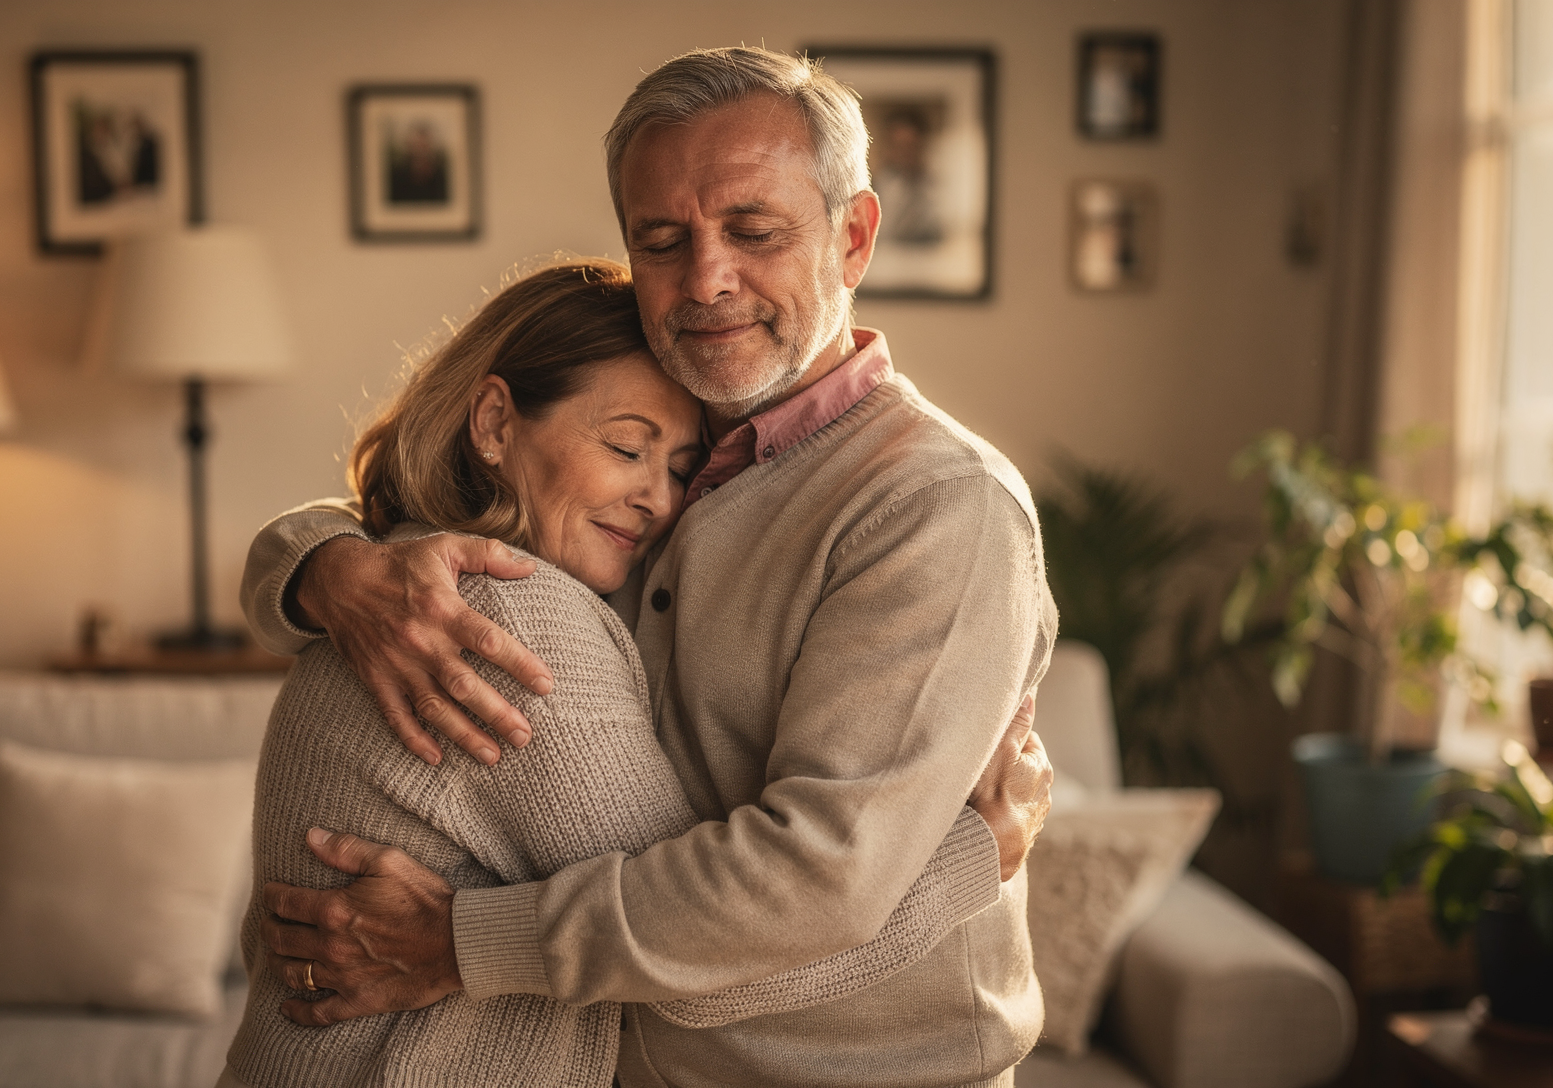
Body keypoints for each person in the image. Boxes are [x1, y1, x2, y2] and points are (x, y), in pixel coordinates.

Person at [241, 47, 1056, 1088]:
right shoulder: (632, 480)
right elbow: (401, 510)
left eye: (754, 231)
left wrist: (463, 942)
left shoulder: (936, 506)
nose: (706, 279)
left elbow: (817, 882)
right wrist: (325, 566)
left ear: (853, 237)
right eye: (661, 242)